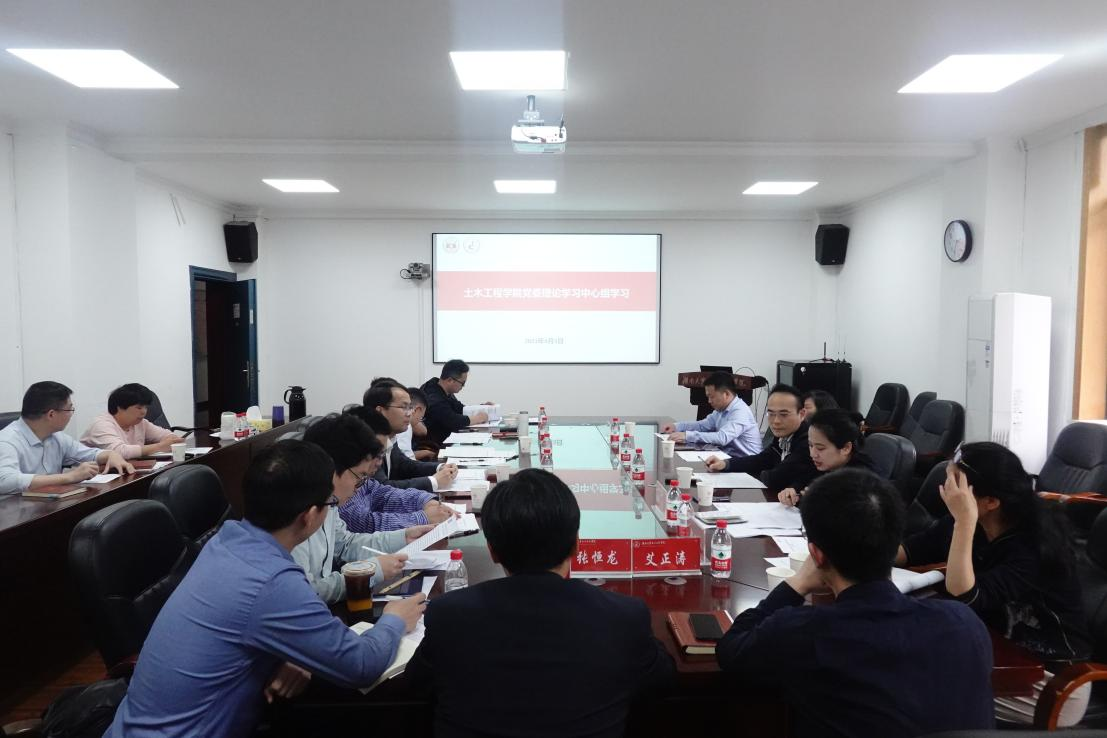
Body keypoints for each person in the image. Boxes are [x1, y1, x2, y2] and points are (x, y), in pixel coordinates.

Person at [105, 440, 427, 738]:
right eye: (329, 503)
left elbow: (248, 626)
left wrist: (295, 653)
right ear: (309, 516)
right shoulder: (271, 581)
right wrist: (395, 619)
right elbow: (362, 665)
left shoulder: (226, 542)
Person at [716, 468, 994, 737]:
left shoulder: (804, 632)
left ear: (816, 555)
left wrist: (797, 583)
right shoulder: (963, 623)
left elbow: (731, 651)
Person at [406, 468, 674, 737]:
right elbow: (662, 680)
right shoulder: (624, 618)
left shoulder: (449, 616)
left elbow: (416, 685)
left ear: (493, 551)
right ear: (576, 545)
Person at [897, 442, 1092, 726]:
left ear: (990, 501)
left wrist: (963, 522)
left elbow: (966, 594)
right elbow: (910, 550)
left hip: (1051, 681)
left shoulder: (1032, 546)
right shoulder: (974, 524)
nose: (946, 490)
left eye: (955, 484)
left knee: (913, 691)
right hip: (996, 654)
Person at [291, 413, 434, 604]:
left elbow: (345, 544)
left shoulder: (329, 502)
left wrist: (403, 537)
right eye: (359, 476)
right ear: (330, 468)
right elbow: (308, 593)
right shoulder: (293, 517)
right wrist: (371, 572)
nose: (359, 487)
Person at [0, 381, 133, 495]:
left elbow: (88, 454)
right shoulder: (7, 441)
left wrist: (110, 455)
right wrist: (69, 477)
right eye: (69, 409)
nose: (71, 414)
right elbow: (5, 481)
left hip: (51, 505)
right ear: (51, 414)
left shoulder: (56, 437)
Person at [338, 406, 457, 533]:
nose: (379, 462)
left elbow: (383, 493)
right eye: (403, 406)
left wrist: (424, 501)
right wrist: (424, 517)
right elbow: (365, 523)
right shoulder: (339, 484)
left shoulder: (361, 475)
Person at [705, 384, 818, 493]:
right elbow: (761, 460)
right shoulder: (783, 436)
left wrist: (762, 472)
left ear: (802, 414)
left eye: (784, 414)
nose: (776, 421)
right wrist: (725, 464)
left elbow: (775, 478)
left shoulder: (808, 442)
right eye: (771, 414)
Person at [363, 380, 458, 491]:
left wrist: (440, 467)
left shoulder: (390, 436)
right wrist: (434, 481)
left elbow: (405, 465)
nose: (410, 413)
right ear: (380, 411)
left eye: (410, 407)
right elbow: (382, 489)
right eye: (404, 407)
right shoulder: (366, 442)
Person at [777, 408, 875, 507]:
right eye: (810, 445)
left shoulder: (861, 480)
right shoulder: (826, 464)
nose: (813, 454)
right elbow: (804, 481)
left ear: (846, 448)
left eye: (820, 448)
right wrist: (792, 491)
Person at [660, 371, 761, 457]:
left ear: (726, 394)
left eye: (712, 397)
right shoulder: (721, 410)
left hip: (747, 464)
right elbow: (702, 425)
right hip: (729, 458)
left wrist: (687, 436)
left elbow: (722, 438)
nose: (709, 401)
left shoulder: (740, 411)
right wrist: (677, 426)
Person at [79, 383, 185, 459]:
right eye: (139, 407)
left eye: (145, 407)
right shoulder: (101, 425)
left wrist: (171, 440)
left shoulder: (140, 423)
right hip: (95, 478)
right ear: (120, 407)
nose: (144, 412)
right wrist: (160, 447)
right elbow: (119, 452)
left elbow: (167, 435)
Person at [420, 359, 492, 445]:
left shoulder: (441, 388)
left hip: (447, 438)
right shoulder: (433, 397)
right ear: (450, 380)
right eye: (462, 383)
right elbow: (452, 420)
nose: (463, 386)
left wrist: (481, 407)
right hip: (434, 444)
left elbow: (460, 408)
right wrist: (477, 418)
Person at [401, 386, 436, 461]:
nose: (419, 421)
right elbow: (407, 461)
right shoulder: (405, 427)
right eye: (421, 417)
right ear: (417, 410)